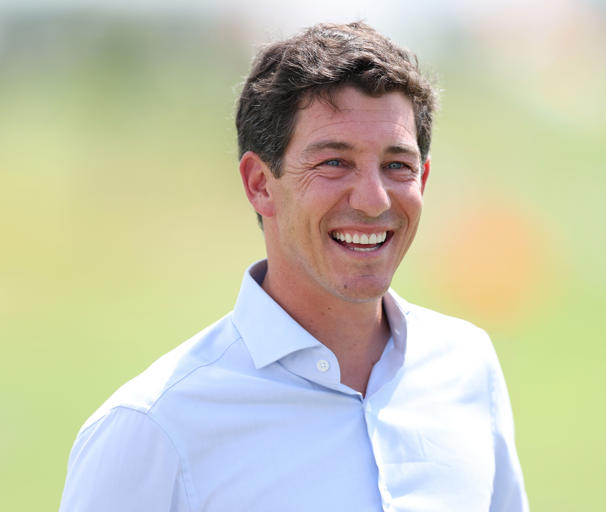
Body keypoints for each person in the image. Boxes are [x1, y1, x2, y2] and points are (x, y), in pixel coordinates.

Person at [59, 22, 528, 511]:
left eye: (397, 166)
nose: (373, 200)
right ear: (260, 184)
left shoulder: (467, 366)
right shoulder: (154, 429)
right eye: (334, 163)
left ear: (423, 180)